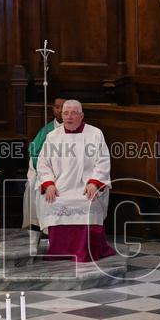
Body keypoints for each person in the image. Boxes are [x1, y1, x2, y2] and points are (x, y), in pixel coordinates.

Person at [37, 100, 116, 263]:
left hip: (86, 187)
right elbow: (43, 163)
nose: (69, 117)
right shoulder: (52, 137)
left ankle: (87, 251)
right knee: (54, 201)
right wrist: (49, 184)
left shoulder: (95, 134)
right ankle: (59, 250)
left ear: (81, 116)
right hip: (60, 187)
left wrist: (94, 182)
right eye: (65, 113)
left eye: (73, 113)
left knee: (88, 202)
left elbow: (103, 161)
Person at [23, 97, 66, 231]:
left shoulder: (78, 131)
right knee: (33, 185)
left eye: (62, 107)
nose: (59, 110)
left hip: (65, 173)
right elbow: (34, 152)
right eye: (56, 107)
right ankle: (41, 227)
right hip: (47, 172)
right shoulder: (47, 131)